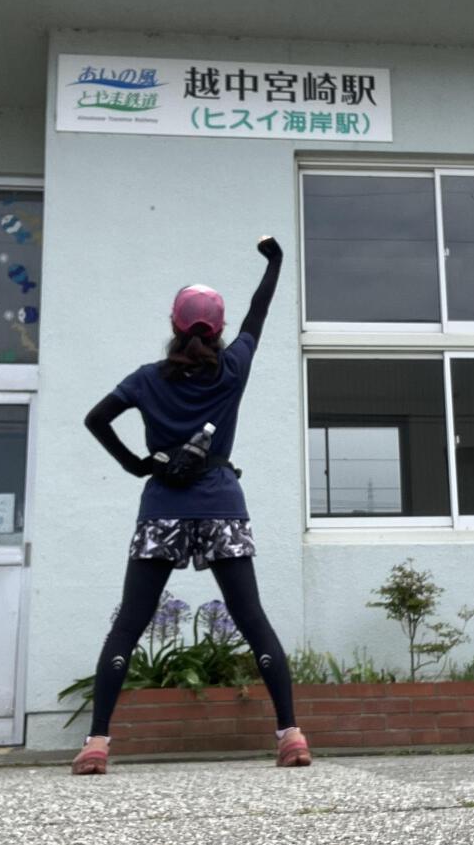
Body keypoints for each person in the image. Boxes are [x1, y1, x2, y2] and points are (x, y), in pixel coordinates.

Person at [70, 236, 310, 775]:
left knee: (130, 622)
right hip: (223, 503)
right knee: (251, 618)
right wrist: (274, 262)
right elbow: (260, 311)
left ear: (174, 325)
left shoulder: (147, 379)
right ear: (218, 329)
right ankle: (290, 736)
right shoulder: (233, 368)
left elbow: (94, 419)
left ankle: (97, 744)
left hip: (161, 509)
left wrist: (138, 465)